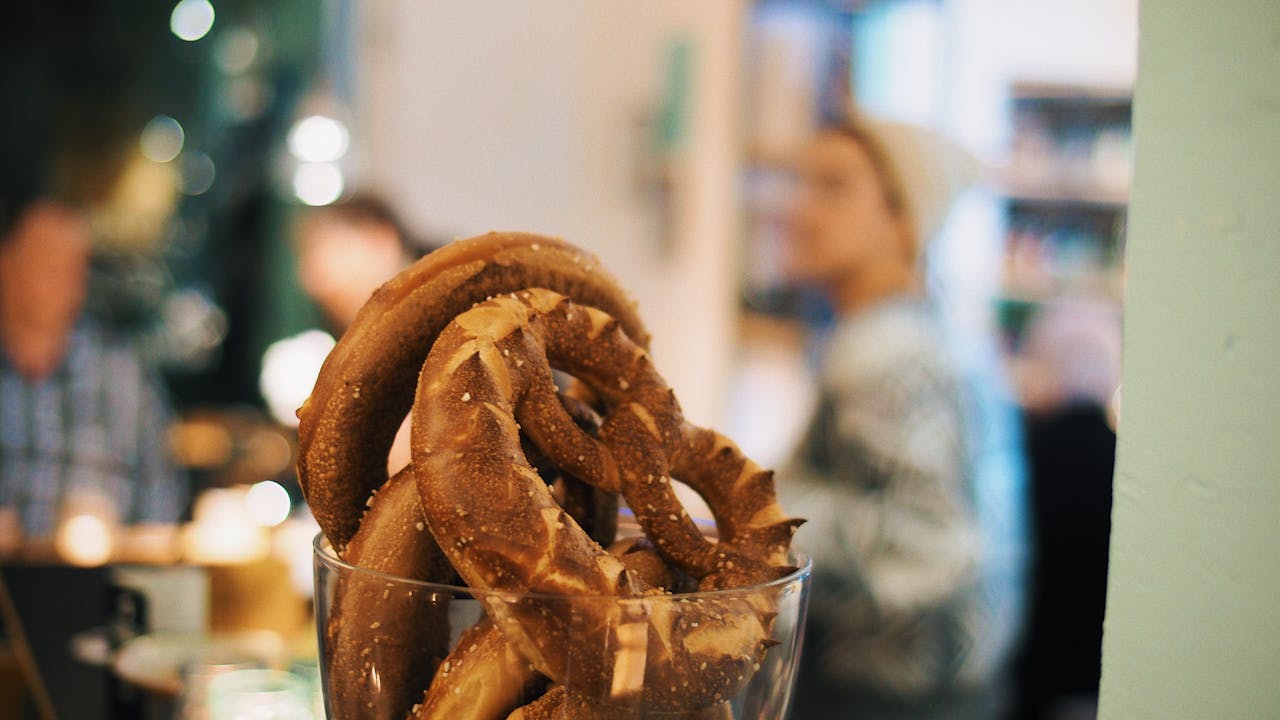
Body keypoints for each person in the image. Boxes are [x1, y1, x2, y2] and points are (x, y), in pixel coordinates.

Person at [778, 116, 1027, 719]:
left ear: (905, 219)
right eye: (802, 183)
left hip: (890, 699)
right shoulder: (918, 334)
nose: (800, 211)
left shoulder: (884, 351)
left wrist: (761, 518)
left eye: (834, 188)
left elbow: (931, 543)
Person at [0, 200, 187, 545]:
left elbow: (162, 497)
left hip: (99, 588)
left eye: (75, 265)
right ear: (6, 262)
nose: (62, 277)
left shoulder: (123, 375)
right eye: (45, 259)